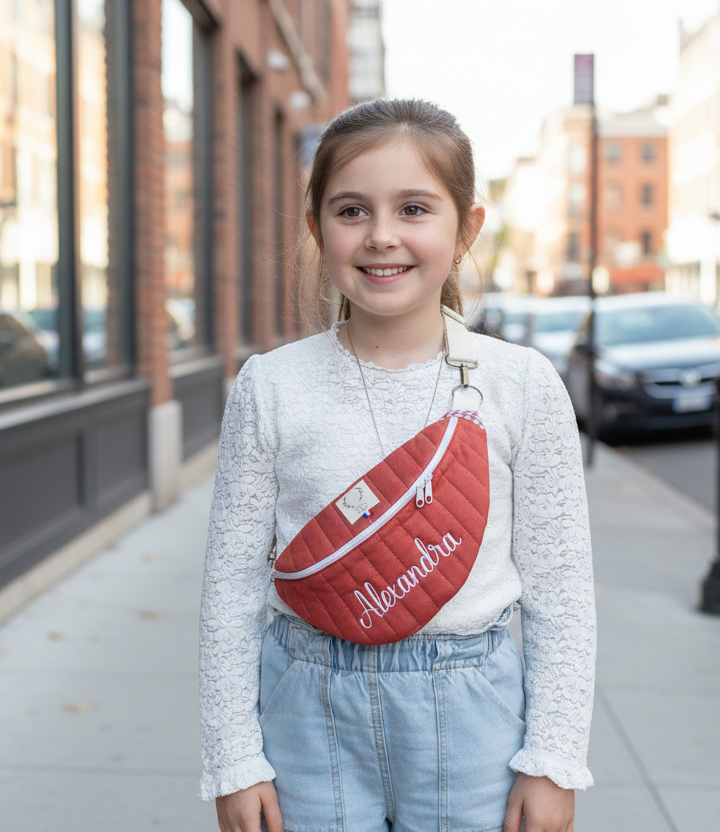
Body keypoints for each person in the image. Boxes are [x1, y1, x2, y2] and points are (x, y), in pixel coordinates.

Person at [199, 98, 595, 832]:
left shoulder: (521, 384)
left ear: (466, 228)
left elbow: (562, 589)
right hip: (304, 712)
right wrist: (233, 758)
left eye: (414, 208)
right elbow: (230, 589)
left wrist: (553, 759)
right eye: (352, 211)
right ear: (317, 229)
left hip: (473, 717)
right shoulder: (270, 386)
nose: (382, 235)